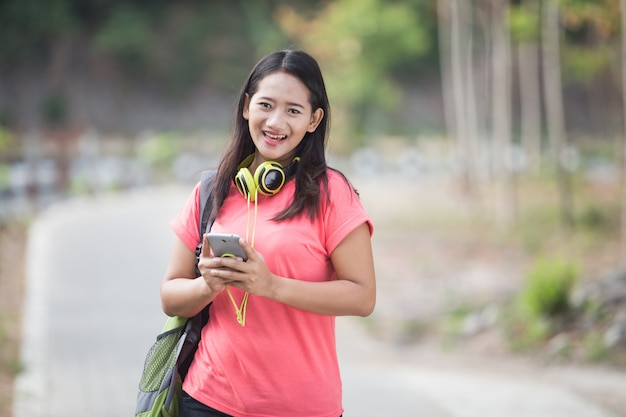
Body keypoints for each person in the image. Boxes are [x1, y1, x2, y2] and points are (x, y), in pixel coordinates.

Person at [161, 49, 376, 417]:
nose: (276, 122)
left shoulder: (331, 193)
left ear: (314, 119)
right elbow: (170, 296)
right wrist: (207, 286)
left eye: (293, 110)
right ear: (246, 107)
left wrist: (271, 285)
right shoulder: (211, 191)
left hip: (303, 407)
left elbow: (362, 297)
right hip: (207, 401)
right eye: (266, 105)